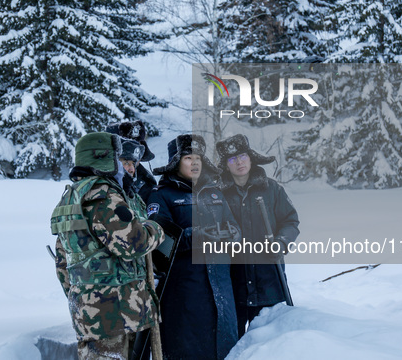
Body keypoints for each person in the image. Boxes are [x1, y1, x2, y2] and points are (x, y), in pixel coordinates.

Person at [51, 132, 164, 360]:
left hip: (92, 311)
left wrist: (84, 297)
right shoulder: (103, 193)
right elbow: (134, 243)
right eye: (119, 160)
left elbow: (63, 261)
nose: (126, 168)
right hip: (115, 314)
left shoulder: (72, 195)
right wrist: (156, 230)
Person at [146, 134, 241, 360]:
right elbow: (158, 244)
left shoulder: (216, 193)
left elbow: (233, 225)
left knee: (225, 349)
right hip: (184, 291)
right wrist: (196, 236)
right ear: (175, 162)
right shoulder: (161, 196)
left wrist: (235, 235)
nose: (195, 162)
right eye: (188, 157)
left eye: (198, 157)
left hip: (221, 289)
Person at [215, 134, 300, 339]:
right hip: (234, 283)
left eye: (242, 156)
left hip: (269, 282)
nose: (239, 162)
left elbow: (291, 222)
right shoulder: (218, 195)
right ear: (226, 165)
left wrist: (281, 242)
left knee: (270, 343)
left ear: (251, 158)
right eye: (232, 159)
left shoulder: (272, 189)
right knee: (234, 344)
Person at [106, 120, 157, 204]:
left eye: (138, 146)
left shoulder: (148, 185)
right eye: (127, 145)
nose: (134, 152)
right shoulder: (96, 182)